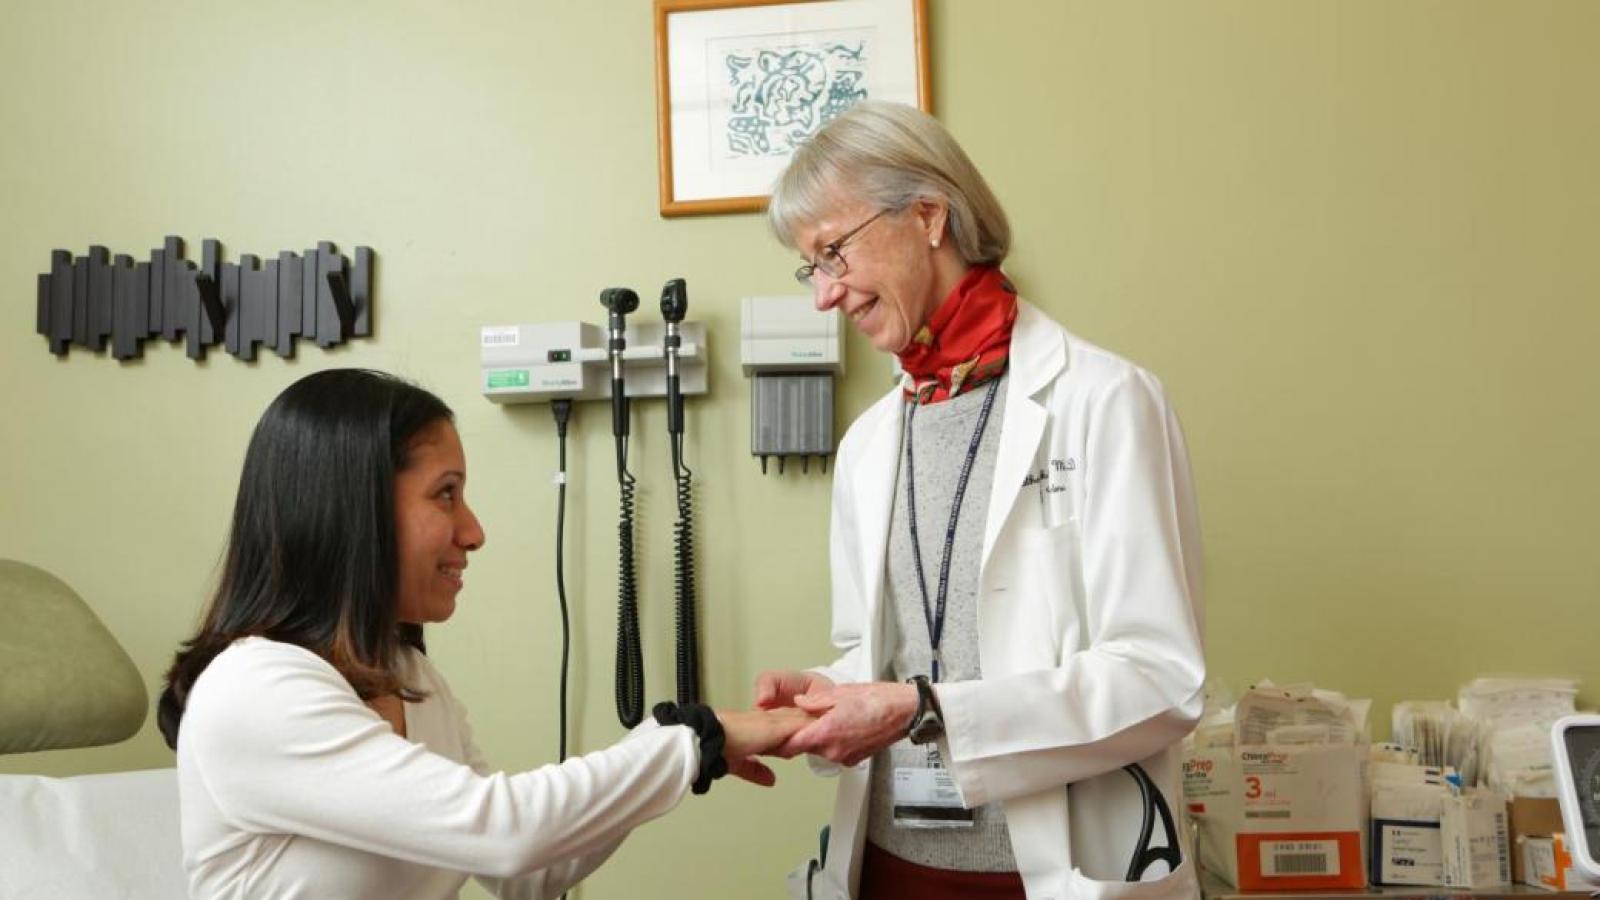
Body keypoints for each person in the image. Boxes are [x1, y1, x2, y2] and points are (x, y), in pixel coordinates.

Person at [755, 101, 1207, 900]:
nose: (825, 296)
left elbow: (1161, 678)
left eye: (833, 254)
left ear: (928, 214)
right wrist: (829, 697)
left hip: (1047, 871)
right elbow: (882, 657)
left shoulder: (1103, 402)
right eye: (811, 269)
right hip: (890, 866)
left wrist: (925, 708)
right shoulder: (869, 443)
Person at [157, 368, 807, 899]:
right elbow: (504, 831)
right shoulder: (256, 689)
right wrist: (693, 736)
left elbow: (526, 873)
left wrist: (689, 748)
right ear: (355, 509)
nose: (473, 531)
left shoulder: (407, 677)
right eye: (446, 494)